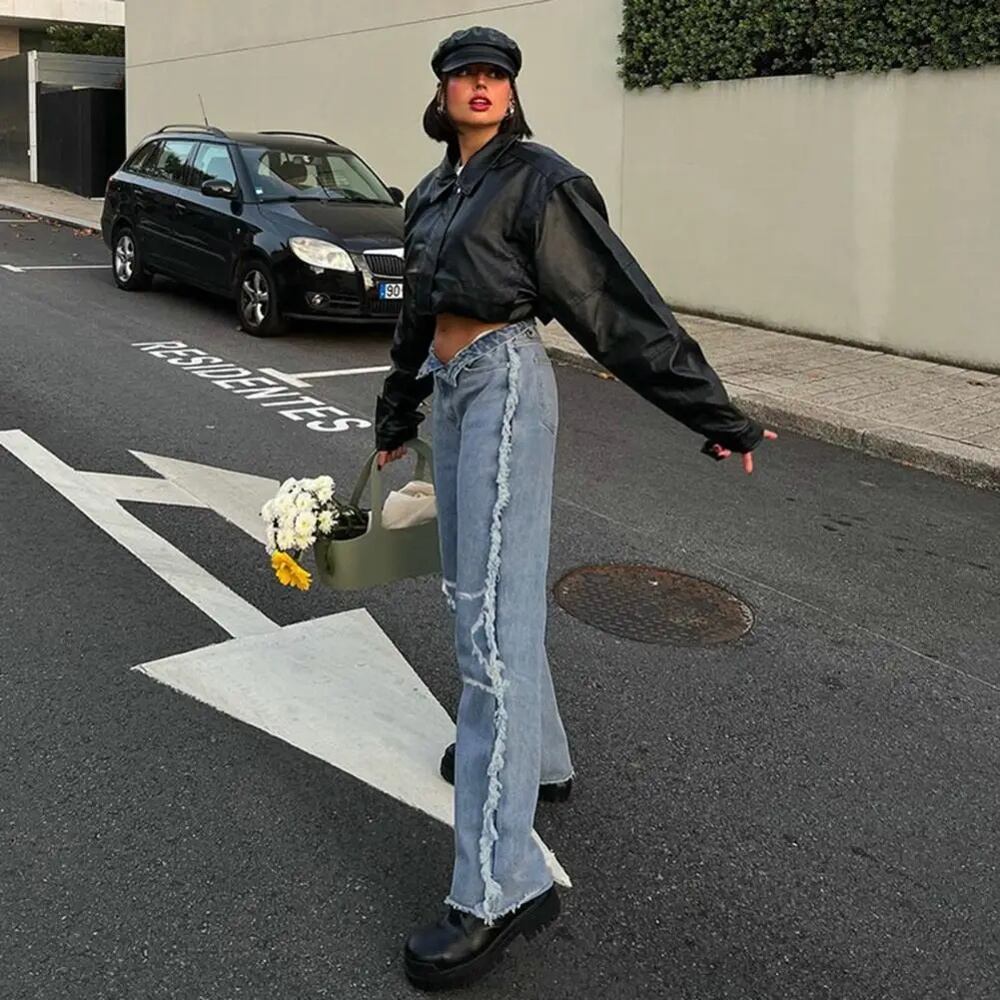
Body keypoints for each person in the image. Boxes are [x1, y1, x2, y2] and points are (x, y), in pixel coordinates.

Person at [374, 25, 777, 991]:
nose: (482, 86)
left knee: (489, 630)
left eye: (498, 76)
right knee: (471, 589)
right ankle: (542, 759)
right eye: (467, 74)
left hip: (505, 383)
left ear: (513, 95)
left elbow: (614, 305)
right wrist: (395, 408)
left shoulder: (539, 183)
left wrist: (712, 413)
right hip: (452, 387)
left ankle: (499, 887)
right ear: (442, 91)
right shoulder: (432, 193)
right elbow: (417, 311)